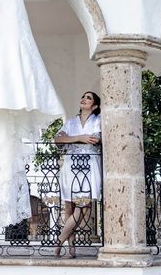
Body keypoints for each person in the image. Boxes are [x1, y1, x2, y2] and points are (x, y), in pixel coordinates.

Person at [53, 91, 102, 258]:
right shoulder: (71, 122)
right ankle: (71, 249)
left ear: (94, 105)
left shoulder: (98, 120)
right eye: (83, 96)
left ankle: (59, 241)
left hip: (89, 165)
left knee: (82, 207)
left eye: (88, 98)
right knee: (69, 207)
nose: (83, 99)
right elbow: (58, 139)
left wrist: (70, 138)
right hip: (69, 165)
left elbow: (95, 139)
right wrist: (80, 137)